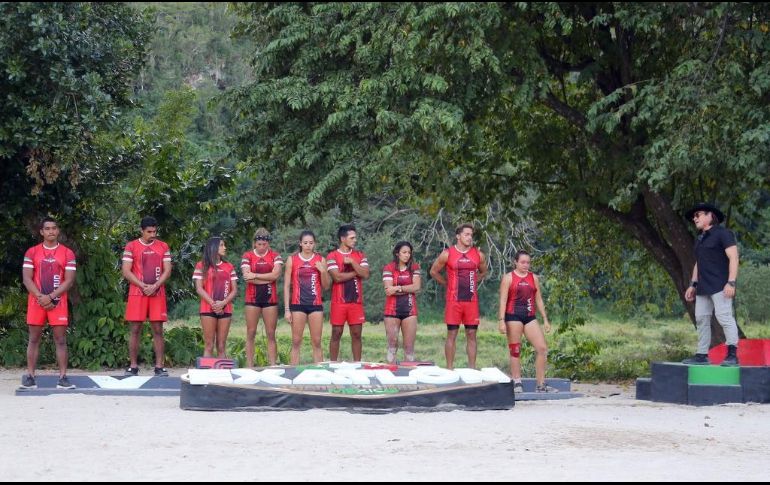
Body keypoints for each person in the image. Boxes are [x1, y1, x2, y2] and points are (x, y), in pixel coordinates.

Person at [20, 217, 78, 390]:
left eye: (54, 228)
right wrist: (40, 297)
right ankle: (30, 377)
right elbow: (26, 278)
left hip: (57, 302)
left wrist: (51, 296)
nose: (51, 231)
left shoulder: (68, 253)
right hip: (36, 301)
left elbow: (69, 281)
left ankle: (63, 378)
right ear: (42, 232)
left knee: (60, 340)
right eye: (47, 228)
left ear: (58, 230)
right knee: (34, 339)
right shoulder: (32, 252)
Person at [682, 202, 740, 366]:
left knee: (724, 317)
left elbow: (734, 258)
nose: (695, 218)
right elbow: (698, 263)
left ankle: (732, 356)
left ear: (710, 216)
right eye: (694, 216)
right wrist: (693, 284)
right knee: (701, 319)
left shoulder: (724, 234)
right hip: (703, 287)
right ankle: (701, 355)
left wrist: (731, 282)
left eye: (698, 214)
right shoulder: (699, 239)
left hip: (721, 285)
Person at [430, 223, 488, 369]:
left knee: (471, 334)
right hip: (453, 300)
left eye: (471, 235)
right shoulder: (447, 253)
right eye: (466, 234)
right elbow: (433, 271)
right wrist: (446, 284)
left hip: (471, 301)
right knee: (452, 334)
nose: (469, 237)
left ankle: (472, 369)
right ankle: (449, 369)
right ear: (458, 236)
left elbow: (484, 271)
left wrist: (474, 281)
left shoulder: (478, 254)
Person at [497, 250, 556, 393]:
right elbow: (503, 300)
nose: (525, 265)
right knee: (515, 350)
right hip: (513, 316)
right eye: (522, 262)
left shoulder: (533, 277)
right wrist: (501, 320)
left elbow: (539, 299)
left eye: (528, 262)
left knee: (542, 348)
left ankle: (541, 385)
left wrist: (545, 319)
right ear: (516, 262)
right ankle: (517, 382)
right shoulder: (508, 278)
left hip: (530, 316)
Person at [121, 216, 172, 377]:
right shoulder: (132, 246)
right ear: (141, 230)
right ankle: (133, 366)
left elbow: (168, 270)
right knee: (135, 329)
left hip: (157, 293)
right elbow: (126, 271)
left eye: (154, 231)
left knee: (158, 329)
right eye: (149, 232)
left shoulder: (163, 246)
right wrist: (143, 285)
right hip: (137, 293)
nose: (152, 234)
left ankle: (159, 366)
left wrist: (155, 286)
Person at [284, 230, 330, 364]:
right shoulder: (292, 259)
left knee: (316, 342)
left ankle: (319, 373)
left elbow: (326, 286)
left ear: (314, 244)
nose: (308, 245)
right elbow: (287, 286)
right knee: (296, 341)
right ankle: (293, 373)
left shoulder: (321, 259)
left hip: (315, 305)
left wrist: (323, 271)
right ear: (300, 243)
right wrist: (287, 310)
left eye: (311, 243)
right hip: (297, 305)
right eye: (305, 243)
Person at [327, 224, 370, 362]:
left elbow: (365, 274)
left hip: (356, 302)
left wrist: (352, 262)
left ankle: (357, 364)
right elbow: (337, 277)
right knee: (336, 333)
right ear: (342, 238)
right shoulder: (332, 255)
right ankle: (333, 364)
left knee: (357, 334)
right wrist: (355, 272)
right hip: (338, 302)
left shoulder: (359, 255)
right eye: (352, 238)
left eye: (355, 237)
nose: (355, 240)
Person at [241, 228, 283, 367]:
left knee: (271, 333)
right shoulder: (247, 256)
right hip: (252, 299)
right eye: (259, 244)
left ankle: (272, 364)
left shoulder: (275, 255)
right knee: (251, 332)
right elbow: (247, 278)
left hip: (270, 299)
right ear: (255, 243)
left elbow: (276, 275)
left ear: (268, 244)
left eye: (264, 244)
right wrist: (267, 278)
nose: (261, 247)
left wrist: (256, 275)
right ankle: (249, 365)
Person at [194, 237, 238, 358]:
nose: (225, 248)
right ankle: (206, 375)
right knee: (209, 345)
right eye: (222, 245)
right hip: (207, 309)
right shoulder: (201, 265)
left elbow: (234, 290)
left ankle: (223, 376)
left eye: (224, 245)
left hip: (226, 309)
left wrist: (223, 303)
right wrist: (214, 304)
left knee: (221, 346)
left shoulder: (229, 266)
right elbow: (199, 288)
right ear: (213, 248)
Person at [382, 241, 422, 363]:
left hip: (410, 311)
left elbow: (416, 287)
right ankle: (390, 376)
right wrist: (406, 288)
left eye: (409, 252)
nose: (407, 255)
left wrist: (398, 288)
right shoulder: (388, 268)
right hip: (391, 311)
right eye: (404, 252)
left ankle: (409, 377)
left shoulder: (415, 267)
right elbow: (388, 291)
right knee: (392, 347)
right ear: (397, 253)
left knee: (409, 349)